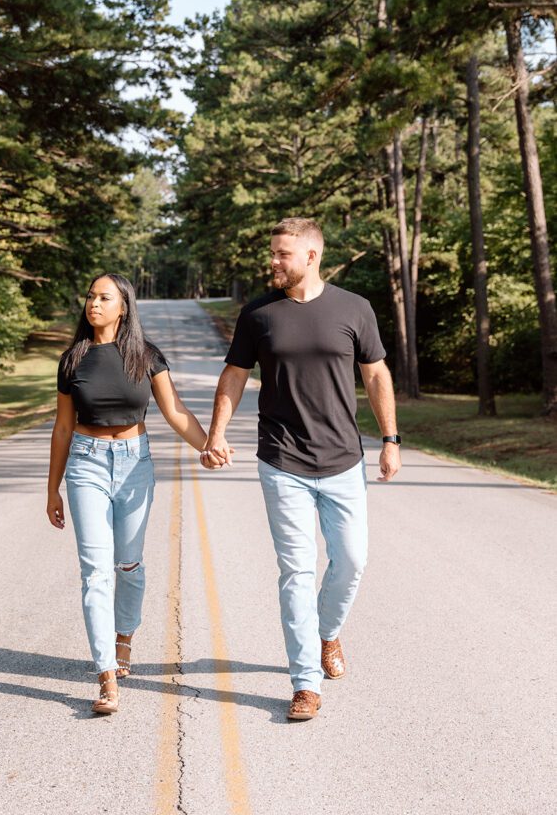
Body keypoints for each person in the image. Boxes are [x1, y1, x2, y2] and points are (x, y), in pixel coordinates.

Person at [203, 217, 401, 721]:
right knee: (297, 571)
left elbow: (375, 373)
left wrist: (391, 440)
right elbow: (234, 375)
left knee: (352, 560)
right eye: (272, 253)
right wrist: (217, 433)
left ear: (311, 256)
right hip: (282, 459)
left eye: (281, 254)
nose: (272, 261)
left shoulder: (354, 308)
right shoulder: (259, 314)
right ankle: (305, 683)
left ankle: (326, 633)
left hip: (343, 460)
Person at [47, 272, 213, 715]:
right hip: (86, 464)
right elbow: (63, 427)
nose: (94, 303)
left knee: (129, 564)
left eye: (104, 297)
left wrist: (208, 445)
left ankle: (124, 637)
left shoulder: (146, 356)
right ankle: (105, 675)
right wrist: (53, 489)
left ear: (124, 306)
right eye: (90, 296)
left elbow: (176, 413)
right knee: (95, 572)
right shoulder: (73, 359)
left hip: (134, 463)